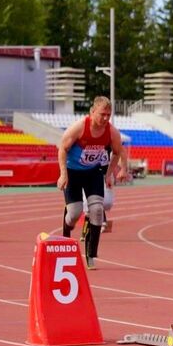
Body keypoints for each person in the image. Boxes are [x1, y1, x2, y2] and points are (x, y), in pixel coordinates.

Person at [58, 96, 128, 269]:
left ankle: (91, 254)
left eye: (108, 115)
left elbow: (118, 152)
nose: (105, 118)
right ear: (92, 112)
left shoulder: (111, 132)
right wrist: (63, 174)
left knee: (97, 210)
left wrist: (111, 173)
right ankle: (67, 226)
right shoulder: (80, 127)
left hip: (93, 173)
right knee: (75, 213)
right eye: (102, 114)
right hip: (73, 172)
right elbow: (63, 149)